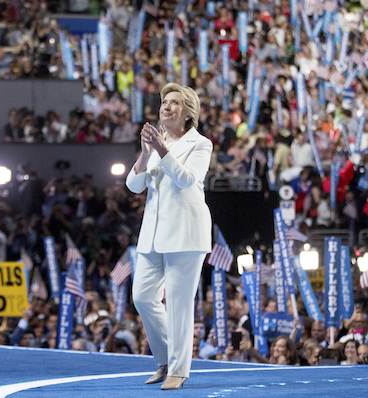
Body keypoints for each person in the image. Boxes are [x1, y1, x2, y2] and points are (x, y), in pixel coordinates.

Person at [126, 83, 212, 390]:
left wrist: (161, 149)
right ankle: (164, 359)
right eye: (164, 101)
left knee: (178, 303)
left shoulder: (200, 144)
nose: (166, 106)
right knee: (142, 297)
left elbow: (188, 180)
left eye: (174, 102)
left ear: (188, 112)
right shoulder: (155, 144)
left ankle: (179, 369)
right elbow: (134, 186)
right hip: (153, 233)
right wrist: (147, 150)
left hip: (186, 233)